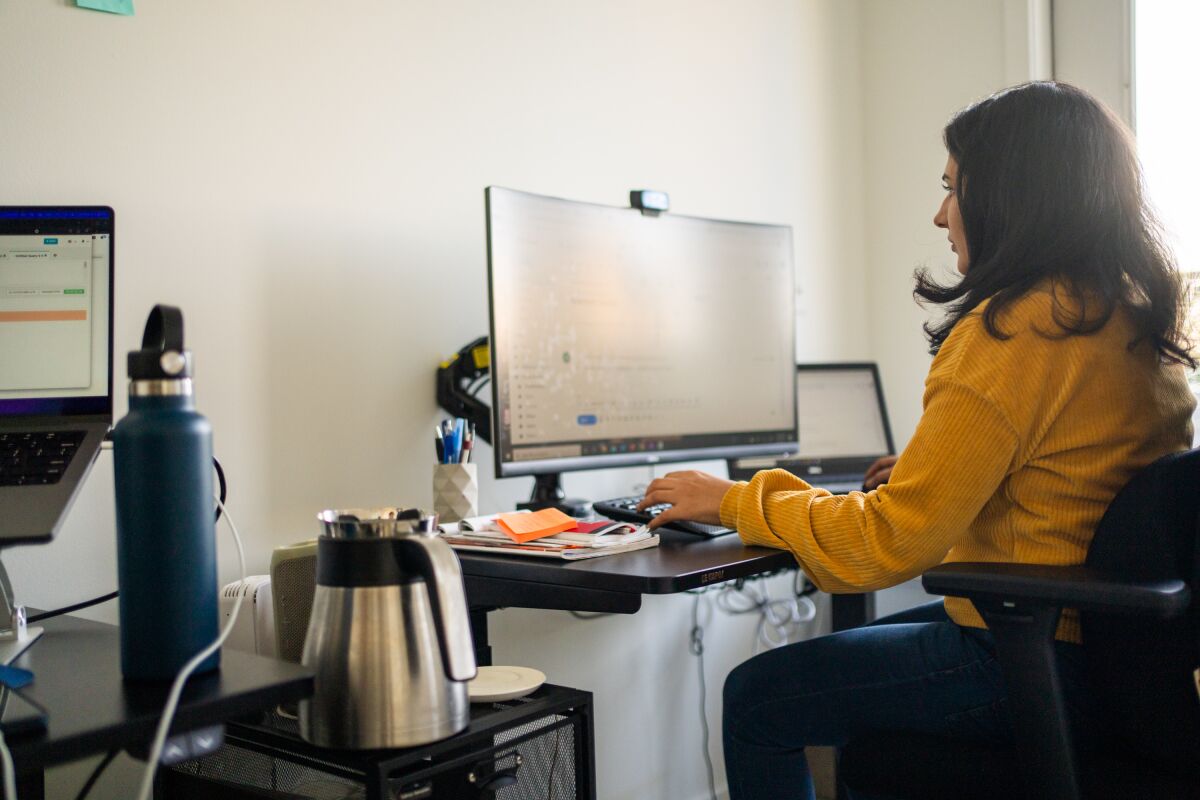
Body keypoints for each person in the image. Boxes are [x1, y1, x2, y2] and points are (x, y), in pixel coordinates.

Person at [636, 81, 1196, 800]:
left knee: (757, 698)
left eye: (953, 190)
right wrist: (947, 472)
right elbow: (1088, 473)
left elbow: (885, 546)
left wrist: (733, 499)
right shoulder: (1127, 310)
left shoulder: (1014, 330)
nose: (940, 214)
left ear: (1011, 197)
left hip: (1030, 657)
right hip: (1120, 657)